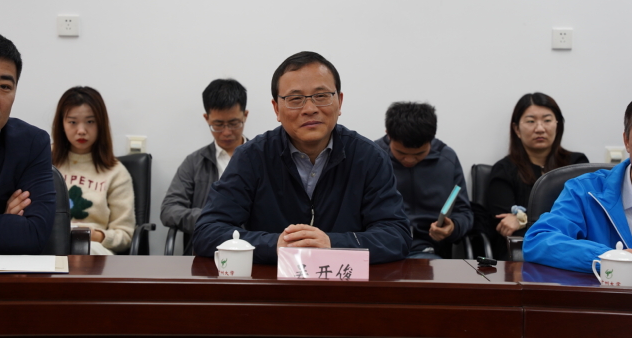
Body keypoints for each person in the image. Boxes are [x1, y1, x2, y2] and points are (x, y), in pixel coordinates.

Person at [193, 51, 411, 264]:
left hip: (344, 283)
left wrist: (332, 244)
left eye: (321, 96)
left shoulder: (369, 157)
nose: (310, 109)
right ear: (276, 109)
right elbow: (207, 232)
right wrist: (276, 245)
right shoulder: (251, 157)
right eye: (295, 99)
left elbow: (396, 235)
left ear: (340, 101)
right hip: (273, 283)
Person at [524, 101, 632, 273]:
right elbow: (538, 241)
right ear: (627, 141)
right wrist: (612, 259)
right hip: (601, 290)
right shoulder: (584, 190)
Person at [486, 92, 588, 260]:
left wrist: (522, 220)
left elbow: (584, 216)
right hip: (523, 255)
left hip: (571, 251)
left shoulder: (577, 164)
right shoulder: (504, 170)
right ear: (517, 129)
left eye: (547, 120)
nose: (540, 128)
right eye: (531, 121)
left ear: (558, 125)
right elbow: (506, 226)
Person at [0, 29, 55, 254]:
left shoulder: (31, 143)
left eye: (5, 86)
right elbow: (16, 234)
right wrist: (3, 222)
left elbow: (33, 234)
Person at [160, 79, 249, 255]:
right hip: (205, 252)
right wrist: (211, 220)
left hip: (252, 248)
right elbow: (169, 209)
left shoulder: (261, 157)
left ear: (245, 116)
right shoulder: (194, 163)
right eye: (218, 125)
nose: (226, 132)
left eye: (234, 123)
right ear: (206, 118)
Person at [375, 102, 473, 259]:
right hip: (380, 248)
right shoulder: (373, 157)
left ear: (431, 139)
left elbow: (463, 212)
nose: (409, 160)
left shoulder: (447, 159)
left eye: (419, 154)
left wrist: (453, 227)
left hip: (427, 250)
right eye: (401, 153)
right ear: (388, 134)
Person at [51, 86, 135, 255]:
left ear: (101, 124)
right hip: (49, 242)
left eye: (90, 122)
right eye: (73, 122)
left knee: (81, 251)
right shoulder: (44, 161)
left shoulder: (116, 172)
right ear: (61, 124)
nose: (81, 131)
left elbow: (125, 235)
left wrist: (96, 235)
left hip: (92, 249)